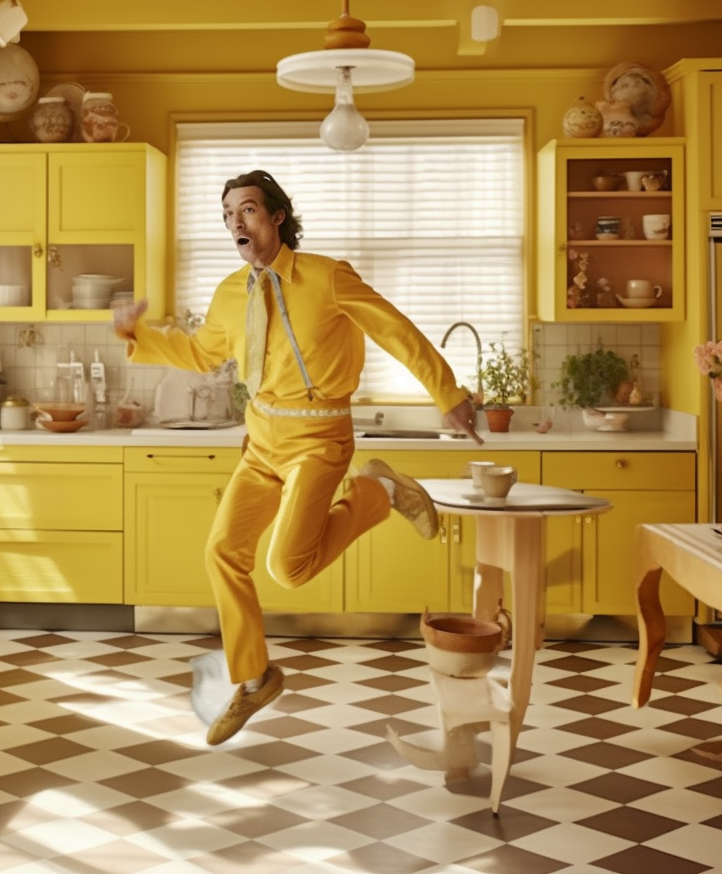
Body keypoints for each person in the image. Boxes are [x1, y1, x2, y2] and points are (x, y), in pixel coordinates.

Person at [113, 169, 483, 745]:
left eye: (249, 210)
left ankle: (380, 492)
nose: (237, 222)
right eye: (229, 213)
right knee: (222, 552)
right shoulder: (229, 293)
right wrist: (139, 335)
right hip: (261, 440)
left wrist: (449, 394)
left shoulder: (327, 277)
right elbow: (201, 352)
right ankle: (254, 678)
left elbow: (396, 331)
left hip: (320, 438)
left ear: (277, 217)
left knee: (288, 567)